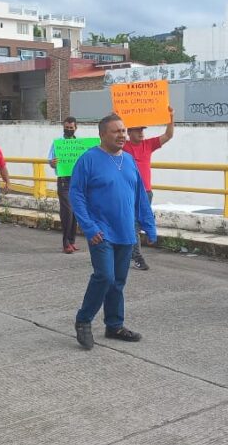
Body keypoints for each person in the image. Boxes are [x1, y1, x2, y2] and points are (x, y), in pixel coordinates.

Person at [70, 114, 157, 350]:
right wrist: (88, 226)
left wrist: (148, 225)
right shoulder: (88, 159)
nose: (122, 135)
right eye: (116, 131)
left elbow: (140, 195)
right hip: (101, 231)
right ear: (102, 134)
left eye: (123, 131)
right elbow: (76, 195)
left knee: (118, 281)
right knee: (104, 276)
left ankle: (114, 325)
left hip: (126, 232)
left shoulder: (129, 160)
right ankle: (83, 320)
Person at [123, 107, 174, 270]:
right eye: (137, 130)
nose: (141, 133)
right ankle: (137, 257)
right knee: (134, 225)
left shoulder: (148, 144)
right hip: (129, 192)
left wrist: (170, 118)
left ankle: (130, 253)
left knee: (139, 224)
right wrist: (114, 117)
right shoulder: (123, 146)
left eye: (142, 130)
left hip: (145, 192)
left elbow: (168, 135)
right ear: (129, 133)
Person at [48, 117, 79, 254]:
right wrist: (53, 162)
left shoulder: (79, 144)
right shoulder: (58, 143)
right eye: (67, 127)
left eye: (71, 128)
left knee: (76, 212)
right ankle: (65, 242)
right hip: (64, 181)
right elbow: (51, 160)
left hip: (77, 181)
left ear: (75, 128)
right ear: (63, 127)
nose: (69, 130)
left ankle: (72, 241)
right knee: (67, 211)